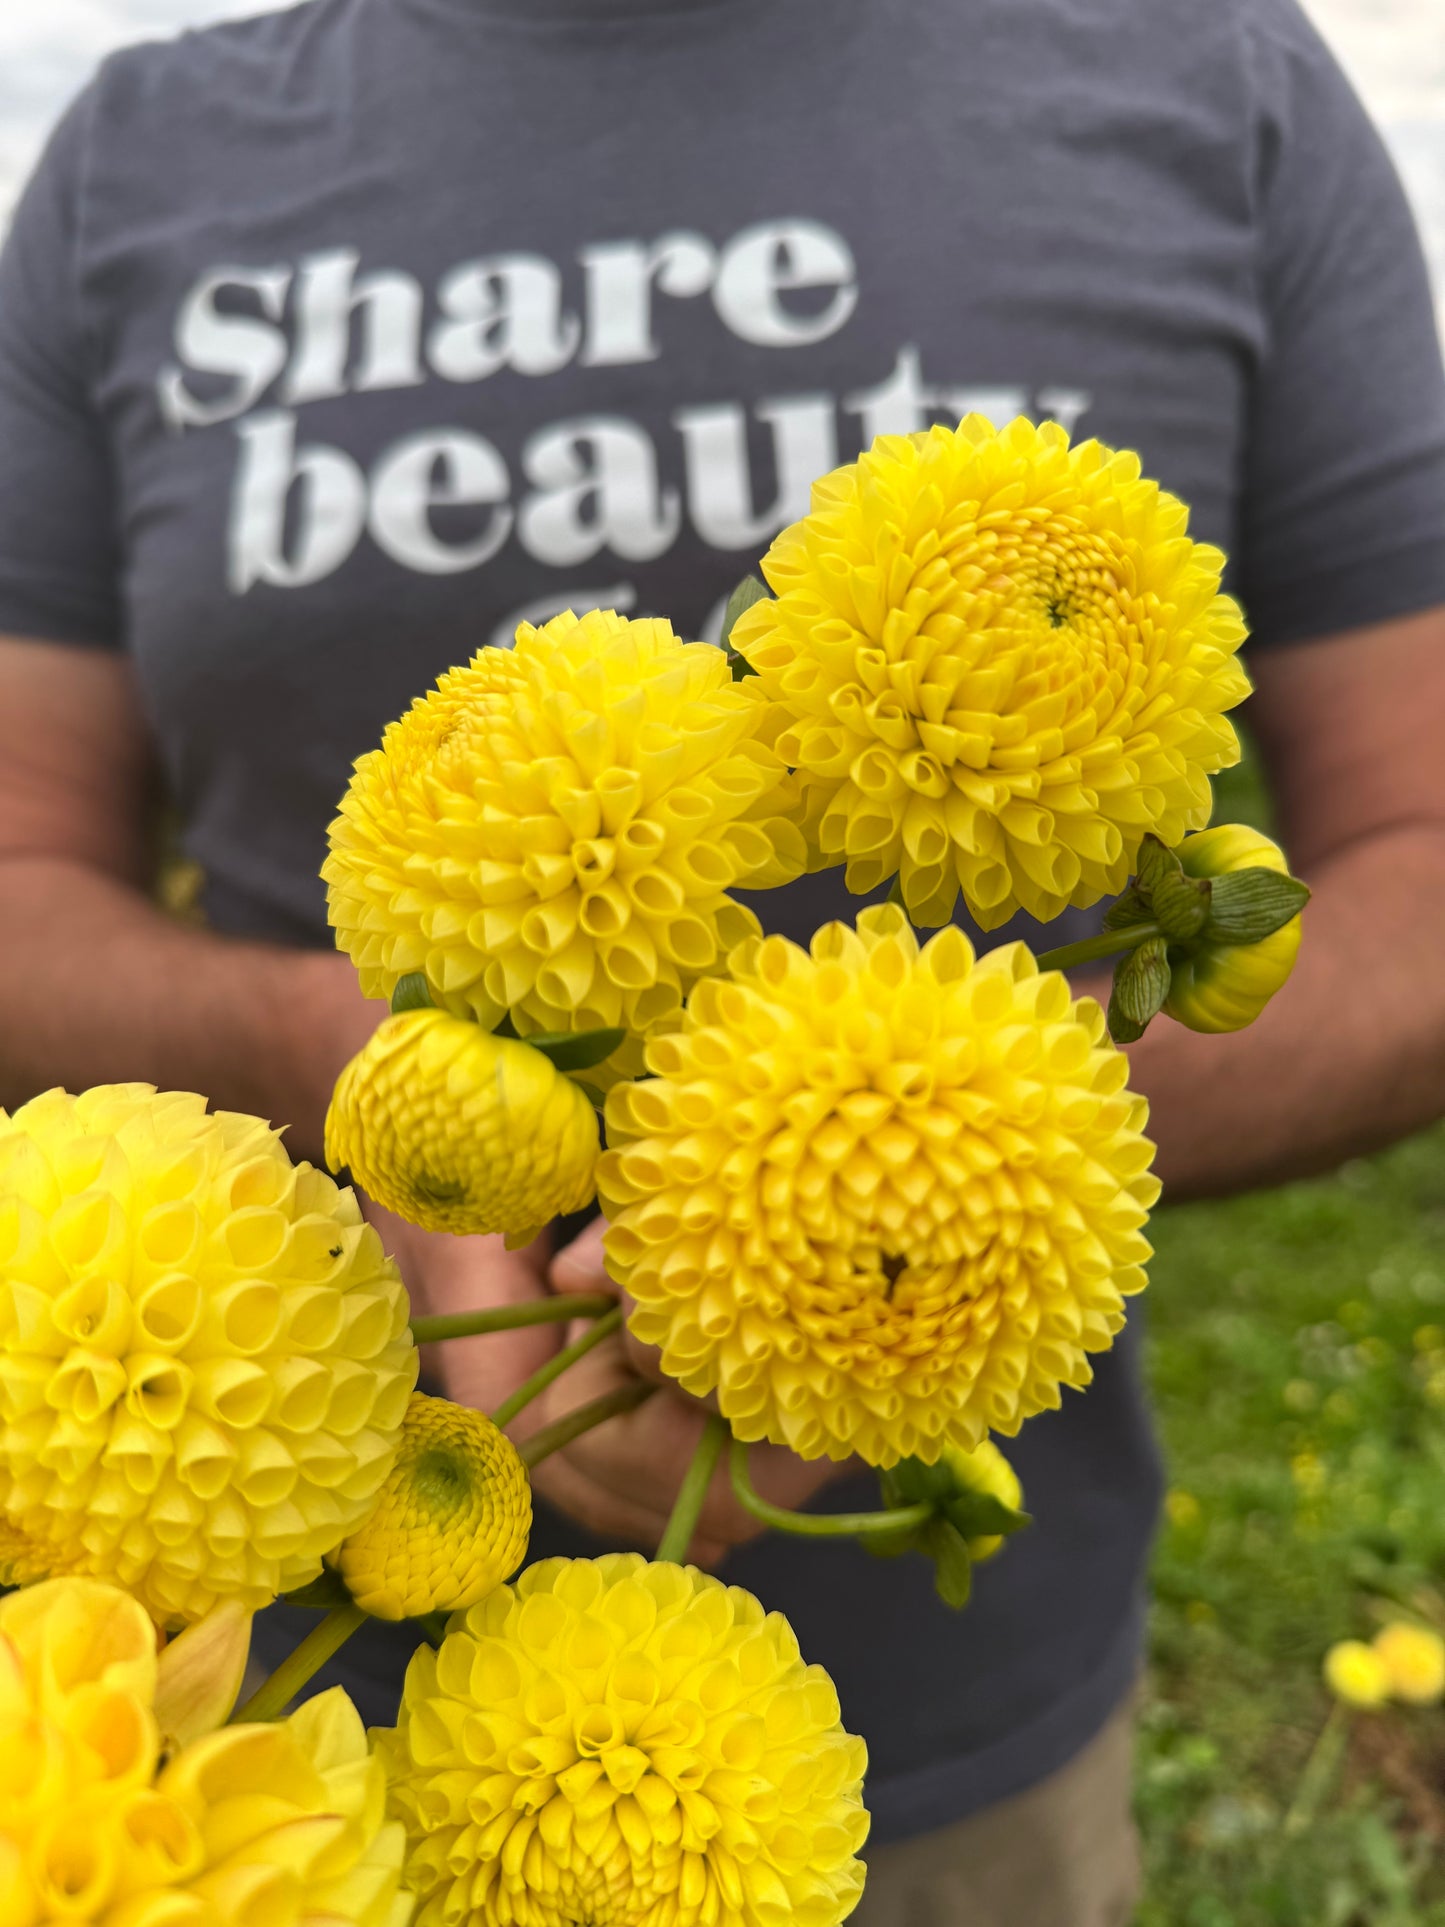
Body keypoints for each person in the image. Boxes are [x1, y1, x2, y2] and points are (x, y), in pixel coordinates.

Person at [2, 0, 1445, 1918]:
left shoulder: (1207, 76)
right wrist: (331, 1065)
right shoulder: (136, 150)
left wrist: (912, 1182)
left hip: (947, 1760)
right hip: (211, 1786)